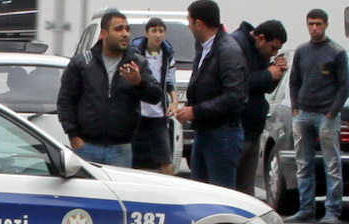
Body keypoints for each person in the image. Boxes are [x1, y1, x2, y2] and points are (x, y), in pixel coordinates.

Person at [57, 10, 162, 167]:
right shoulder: (82, 63)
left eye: (127, 29)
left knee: (117, 191)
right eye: (119, 29)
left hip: (121, 150)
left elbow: (156, 96)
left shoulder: (137, 63)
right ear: (104, 33)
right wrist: (74, 137)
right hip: (86, 147)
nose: (125, 34)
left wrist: (139, 82)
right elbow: (65, 101)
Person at [284, 9, 349, 224]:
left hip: (326, 116)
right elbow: (294, 81)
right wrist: (295, 108)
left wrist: (332, 112)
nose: (315, 28)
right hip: (303, 114)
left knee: (332, 164)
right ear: (307, 24)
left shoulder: (336, 52)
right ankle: (305, 209)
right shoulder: (302, 51)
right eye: (311, 24)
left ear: (326, 25)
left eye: (319, 24)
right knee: (303, 163)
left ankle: (332, 211)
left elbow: (344, 85)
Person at [176, 0, 246, 188]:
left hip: (223, 134)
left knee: (221, 194)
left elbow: (235, 96)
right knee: (200, 191)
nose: (189, 26)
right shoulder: (203, 47)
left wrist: (195, 111)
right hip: (204, 132)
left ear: (199, 23)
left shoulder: (228, 50)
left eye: (190, 21)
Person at [230, 20, 288, 195]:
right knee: (231, 186)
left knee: (246, 189)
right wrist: (268, 74)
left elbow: (264, 86)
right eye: (273, 48)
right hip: (237, 126)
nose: (274, 52)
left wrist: (276, 73)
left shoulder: (259, 51)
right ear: (261, 38)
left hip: (253, 128)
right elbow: (236, 83)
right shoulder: (236, 45)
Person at [131, 17, 178, 174]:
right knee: (132, 159)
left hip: (158, 113)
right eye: (154, 31)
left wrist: (174, 102)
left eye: (161, 31)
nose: (158, 35)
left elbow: (170, 81)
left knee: (165, 157)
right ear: (147, 33)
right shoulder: (135, 52)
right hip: (137, 112)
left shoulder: (168, 53)